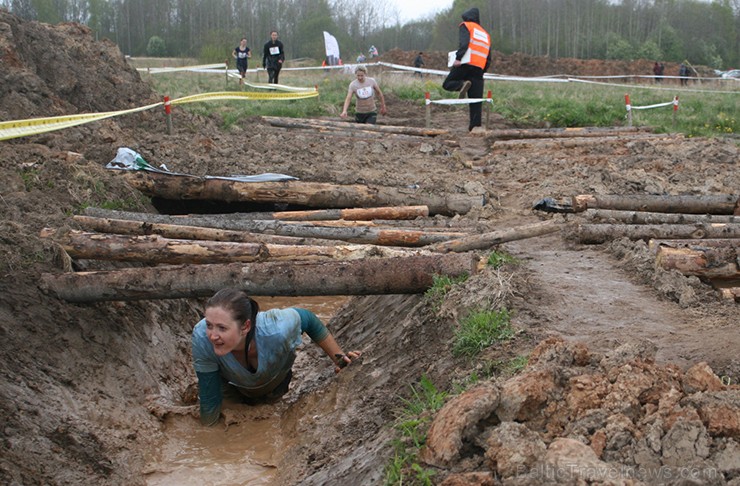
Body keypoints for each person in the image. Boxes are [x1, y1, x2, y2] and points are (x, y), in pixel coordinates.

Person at [191, 288, 361, 426]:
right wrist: (209, 435)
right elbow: (210, 398)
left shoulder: (277, 329)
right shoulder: (202, 338)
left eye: (221, 328)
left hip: (276, 384)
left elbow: (308, 319)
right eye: (209, 325)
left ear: (245, 326)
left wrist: (339, 358)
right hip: (230, 388)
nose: (213, 336)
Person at [442, 7, 491, 131]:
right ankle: (475, 128)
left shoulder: (466, 26)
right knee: (476, 101)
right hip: (479, 69)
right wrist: (482, 70)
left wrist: (458, 58)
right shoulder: (486, 34)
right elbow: (489, 57)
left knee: (447, 84)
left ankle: (462, 85)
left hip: (465, 63)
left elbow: (464, 43)